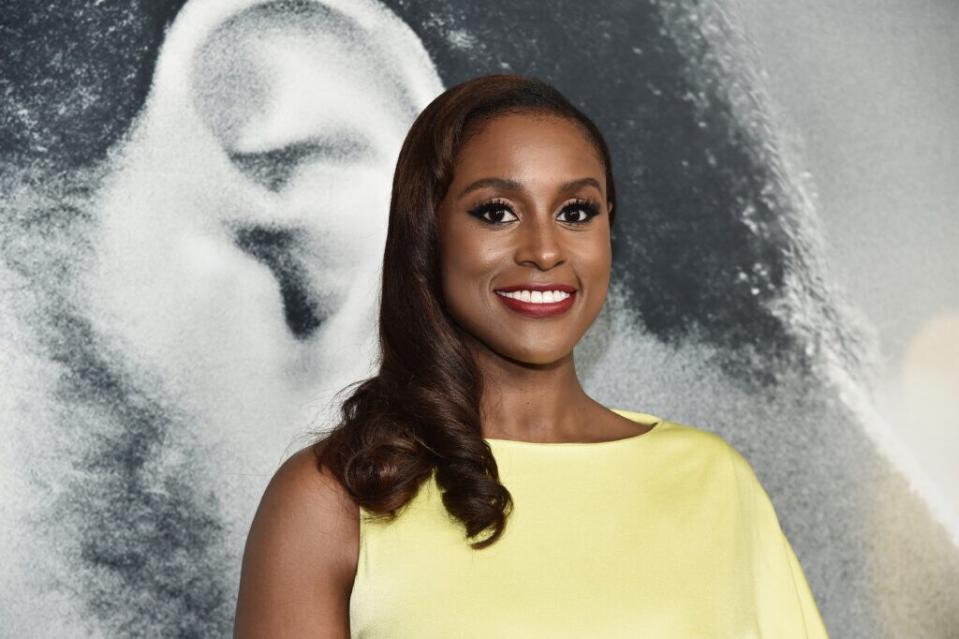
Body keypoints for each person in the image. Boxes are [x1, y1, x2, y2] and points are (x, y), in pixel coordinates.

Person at [233, 73, 829, 637]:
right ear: (428, 232)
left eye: (576, 212)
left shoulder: (713, 481)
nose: (545, 250)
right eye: (497, 212)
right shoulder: (332, 499)